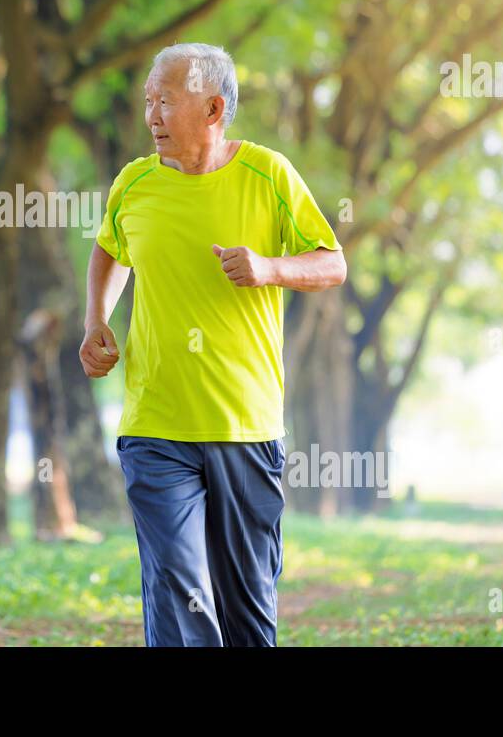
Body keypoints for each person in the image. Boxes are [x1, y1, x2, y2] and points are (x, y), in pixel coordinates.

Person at [80, 43, 346, 646]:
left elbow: (332, 264)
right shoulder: (135, 182)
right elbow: (109, 249)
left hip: (244, 426)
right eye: (148, 100)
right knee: (178, 584)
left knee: (247, 609)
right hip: (156, 422)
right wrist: (98, 318)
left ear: (213, 108)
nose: (152, 115)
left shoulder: (268, 175)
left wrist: (269, 268)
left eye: (166, 101)